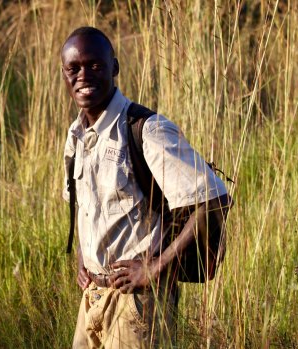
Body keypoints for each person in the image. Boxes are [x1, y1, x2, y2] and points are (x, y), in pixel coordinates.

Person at [61, 26, 230, 348]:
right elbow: (84, 206)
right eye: (74, 68)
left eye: (95, 65)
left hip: (139, 303)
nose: (84, 76)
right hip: (92, 296)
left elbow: (214, 199)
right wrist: (84, 260)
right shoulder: (76, 135)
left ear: (114, 67)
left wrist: (155, 267)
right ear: (65, 74)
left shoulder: (146, 129)